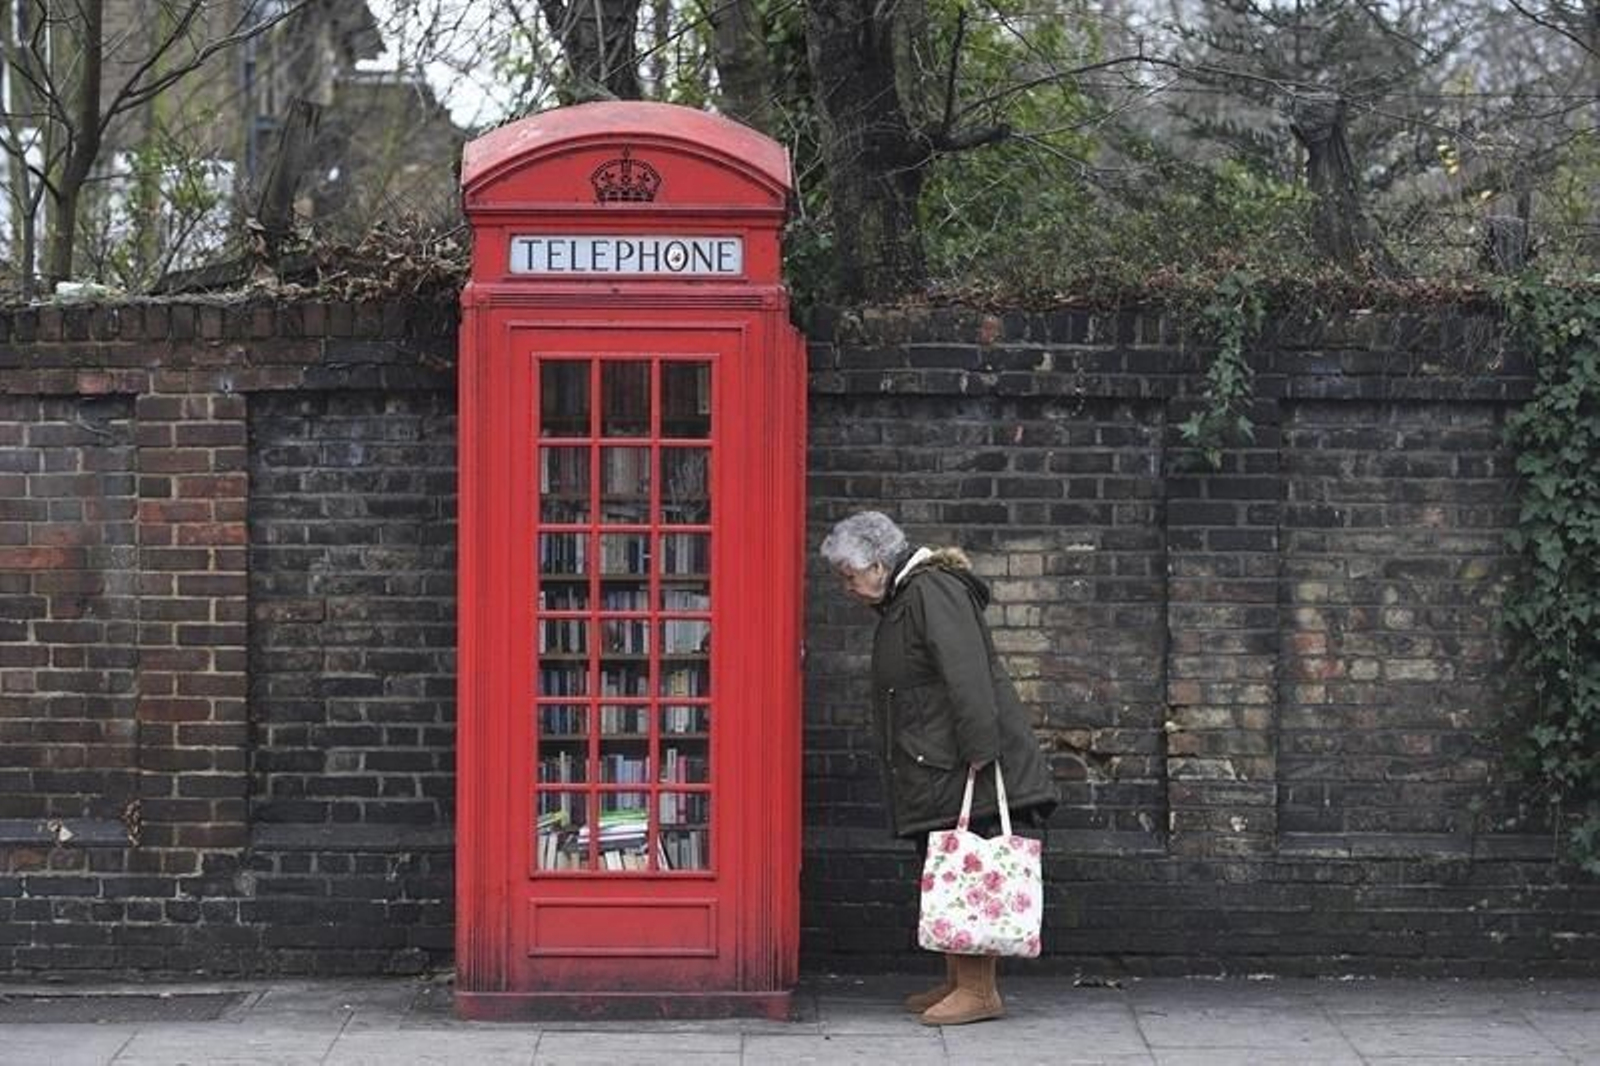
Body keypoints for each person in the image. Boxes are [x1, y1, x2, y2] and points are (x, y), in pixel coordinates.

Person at [820, 511, 1059, 1026]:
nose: (848, 587)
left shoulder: (933, 592)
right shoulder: (908, 595)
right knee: (948, 868)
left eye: (849, 575)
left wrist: (980, 751)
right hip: (936, 760)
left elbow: (967, 674)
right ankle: (958, 980)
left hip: (961, 763)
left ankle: (979, 990)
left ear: (879, 563)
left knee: (971, 868)